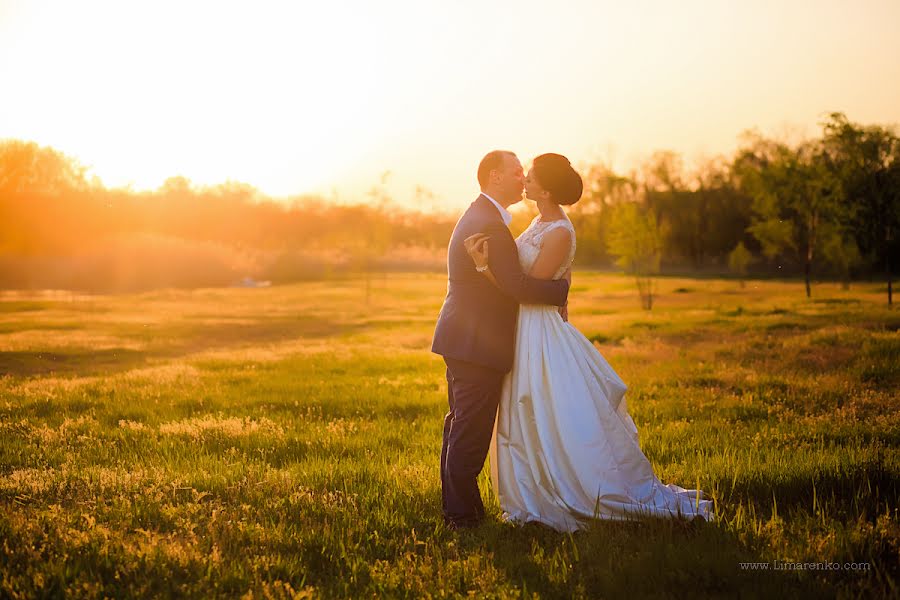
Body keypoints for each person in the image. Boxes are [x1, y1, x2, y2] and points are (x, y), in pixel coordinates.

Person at [465, 153, 715, 532]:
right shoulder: (539, 221)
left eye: (530, 178)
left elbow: (527, 290)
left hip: (538, 330)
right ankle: (533, 486)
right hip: (523, 330)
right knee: (525, 408)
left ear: (546, 190)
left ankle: (571, 488)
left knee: (543, 405)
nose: (524, 181)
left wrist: (484, 268)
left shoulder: (561, 231)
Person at [431, 150, 570, 529]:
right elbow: (517, 286)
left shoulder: (484, 215)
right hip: (476, 343)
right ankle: (461, 516)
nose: (521, 179)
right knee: (469, 432)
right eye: (515, 172)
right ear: (494, 177)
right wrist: (561, 290)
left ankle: (462, 509)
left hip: (466, 339)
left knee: (460, 425)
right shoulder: (488, 223)